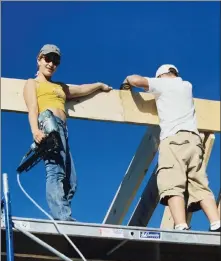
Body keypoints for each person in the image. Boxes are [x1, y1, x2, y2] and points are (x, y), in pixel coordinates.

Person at [121, 64, 220, 232]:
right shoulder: (186, 86)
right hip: (193, 141)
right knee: (199, 184)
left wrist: (126, 82)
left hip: (174, 140)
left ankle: (181, 226)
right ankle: (216, 222)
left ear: (161, 75)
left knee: (171, 182)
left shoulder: (163, 83)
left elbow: (136, 80)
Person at [23, 44, 112, 221]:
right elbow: (32, 108)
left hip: (62, 130)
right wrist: (35, 131)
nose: (51, 64)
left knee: (71, 181)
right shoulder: (32, 83)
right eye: (47, 59)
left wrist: (100, 85)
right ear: (39, 59)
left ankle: (63, 215)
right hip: (48, 125)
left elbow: (81, 89)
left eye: (55, 61)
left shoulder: (60, 87)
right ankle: (63, 218)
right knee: (55, 171)